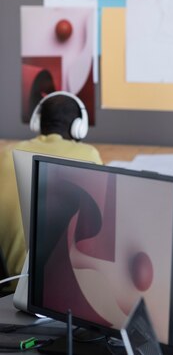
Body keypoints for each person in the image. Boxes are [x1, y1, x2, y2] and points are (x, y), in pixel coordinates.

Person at [0, 91, 102, 284]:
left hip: (7, 281)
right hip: (53, 289)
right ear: (78, 127)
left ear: (37, 122)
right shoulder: (88, 155)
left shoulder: (6, 154)